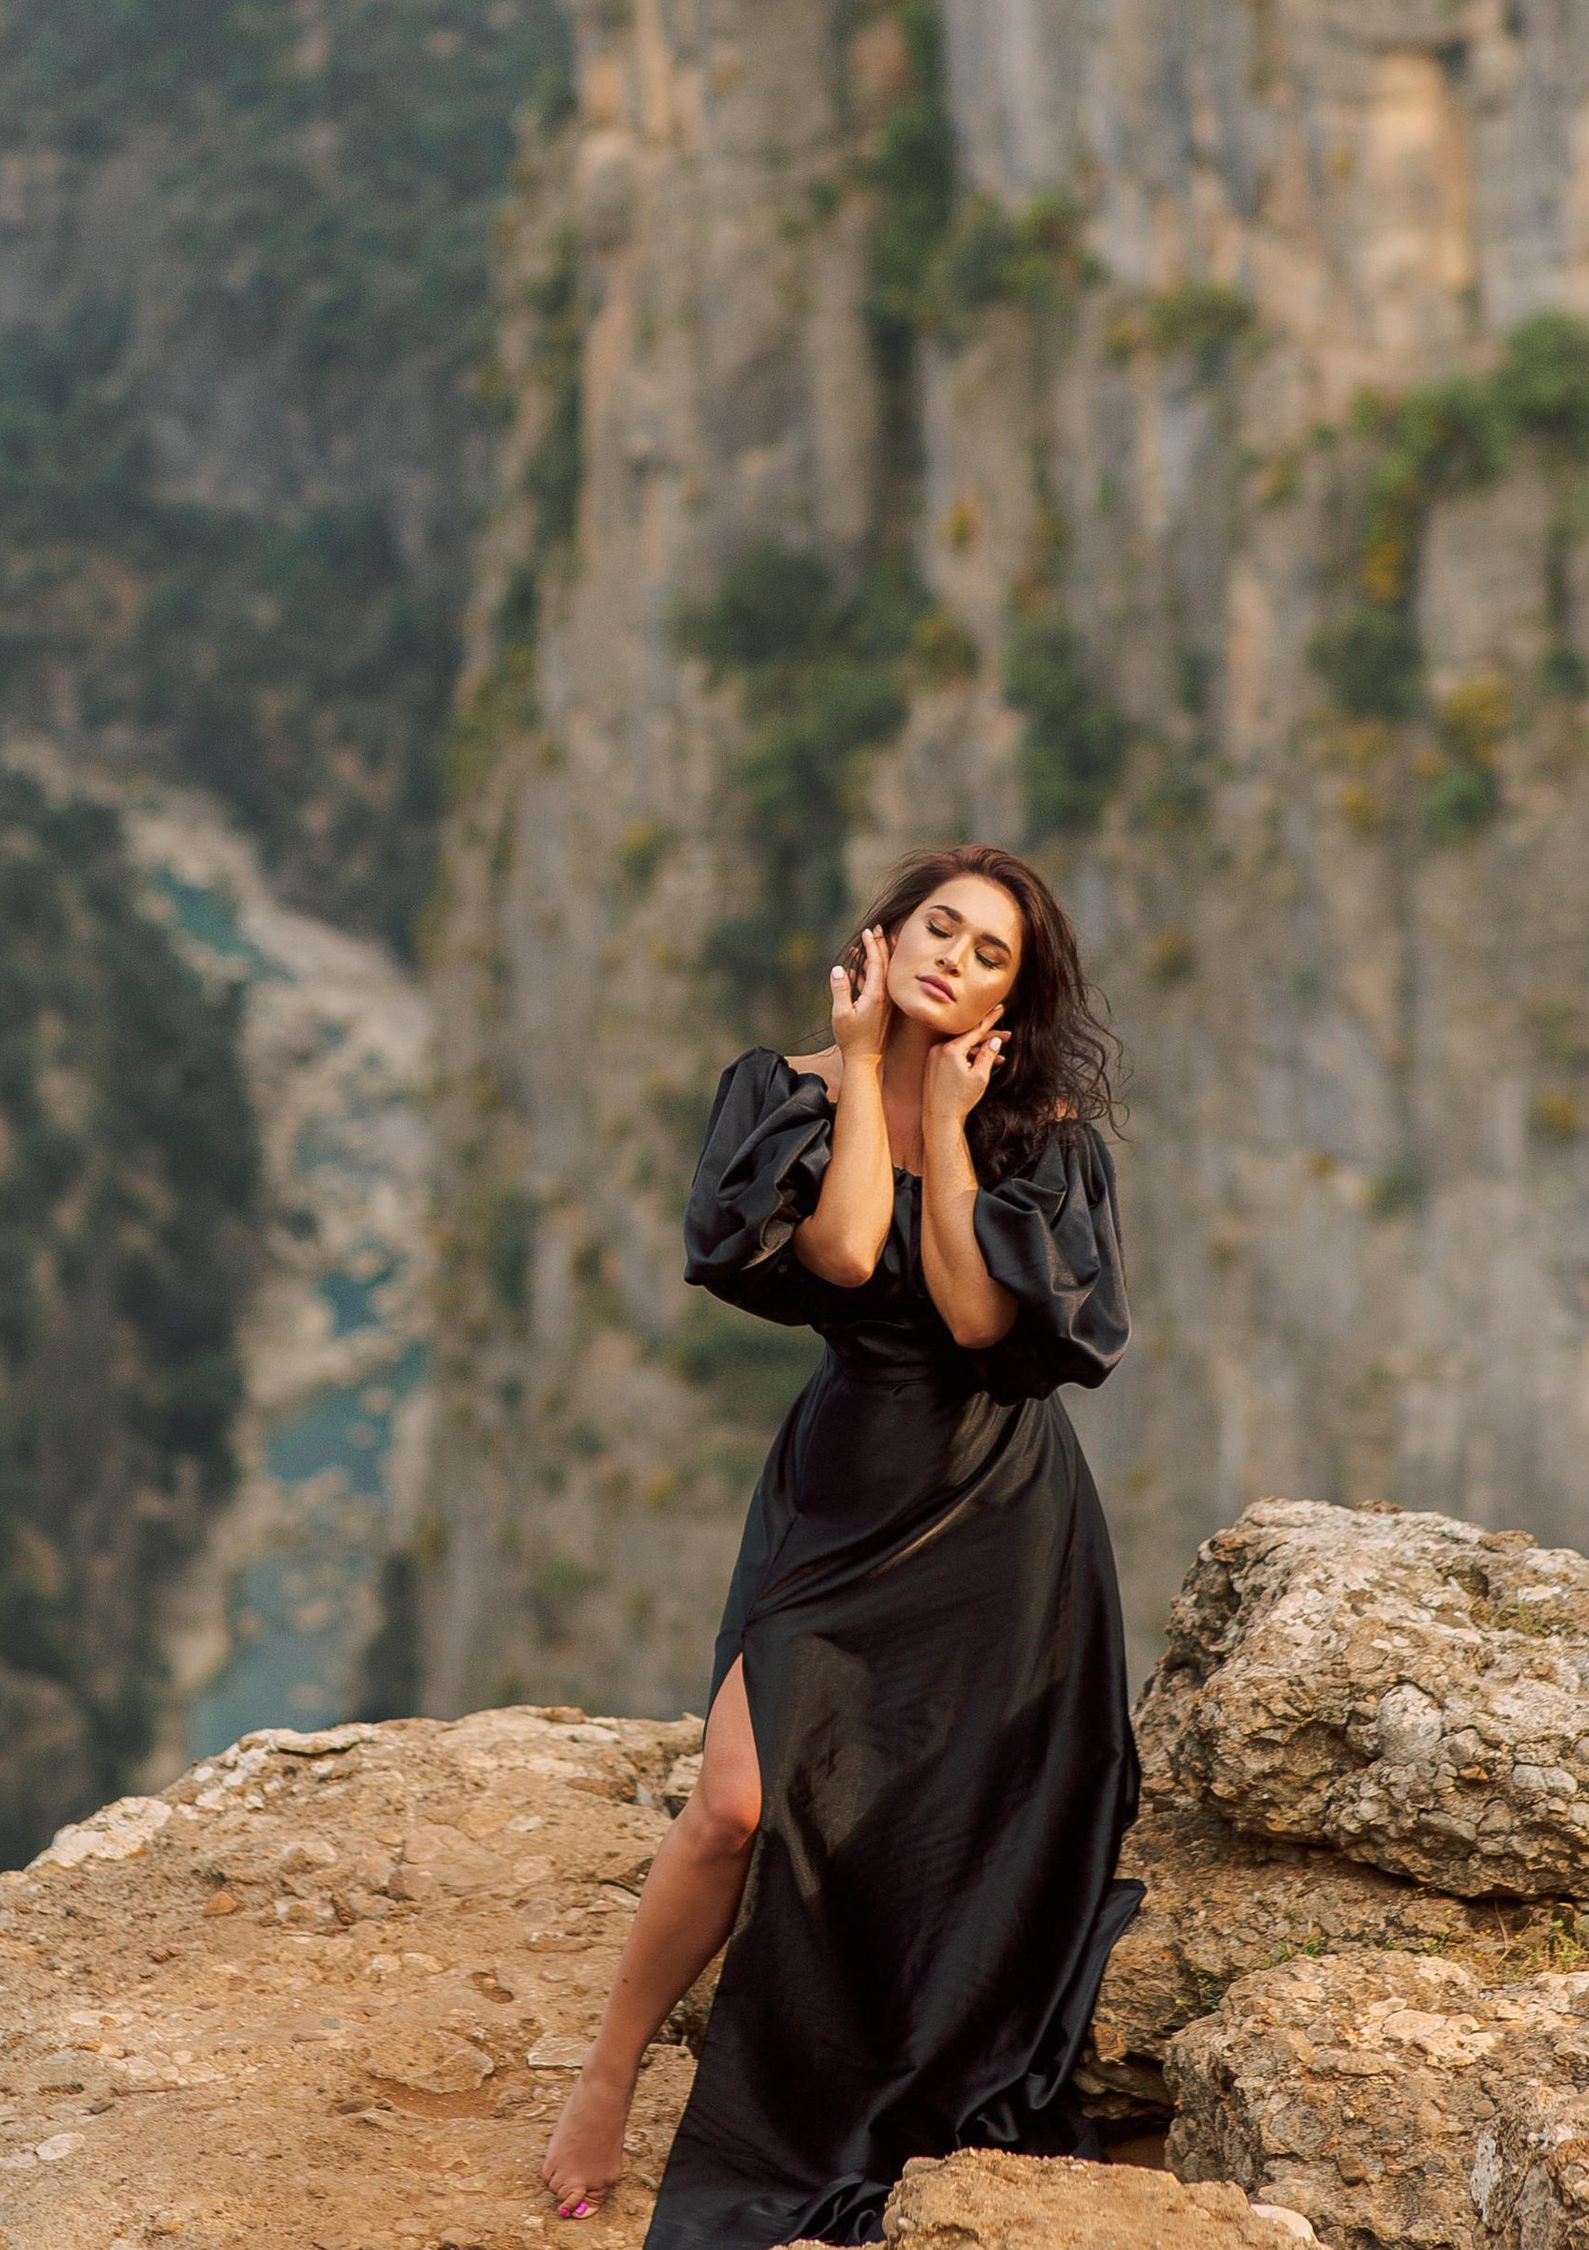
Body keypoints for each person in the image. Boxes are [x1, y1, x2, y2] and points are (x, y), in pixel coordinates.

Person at [538, 844, 1141, 2248]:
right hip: (841, 1496)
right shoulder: (791, 1092)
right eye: (941, 929)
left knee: (925, 1831)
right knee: (739, 1805)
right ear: (883, 934)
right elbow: (840, 1249)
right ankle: (608, 2078)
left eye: (992, 955)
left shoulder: (1032, 1127)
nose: (957, 962)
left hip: (1000, 1516)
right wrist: (873, 1068)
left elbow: (980, 1322)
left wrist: (949, 1105)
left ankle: (883, 2081)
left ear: (1016, 992)